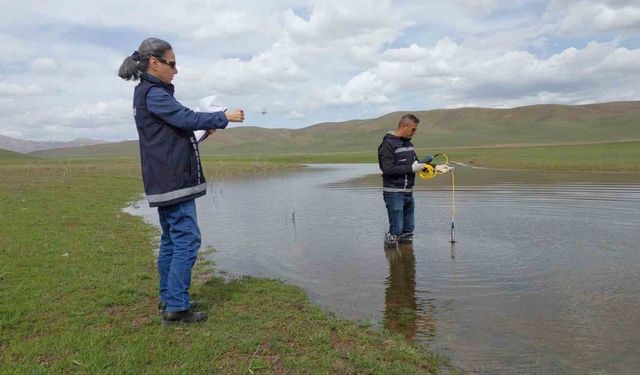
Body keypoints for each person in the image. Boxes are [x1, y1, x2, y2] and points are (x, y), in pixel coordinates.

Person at [118, 37, 245, 325]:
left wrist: (203, 132)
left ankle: (170, 298)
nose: (176, 70)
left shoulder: (149, 93)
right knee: (186, 239)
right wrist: (222, 116)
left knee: (172, 240)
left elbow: (175, 130)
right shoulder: (154, 93)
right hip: (173, 180)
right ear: (154, 63)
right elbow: (185, 117)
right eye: (172, 64)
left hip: (166, 178)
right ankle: (176, 306)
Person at [377, 114, 425, 249]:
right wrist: (411, 168)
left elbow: (417, 164)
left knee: (409, 229)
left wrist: (436, 168)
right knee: (396, 230)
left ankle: (408, 263)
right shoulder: (387, 145)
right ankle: (392, 262)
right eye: (413, 129)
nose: (415, 132)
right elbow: (387, 169)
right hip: (394, 192)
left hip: (408, 192)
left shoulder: (409, 144)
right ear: (404, 126)